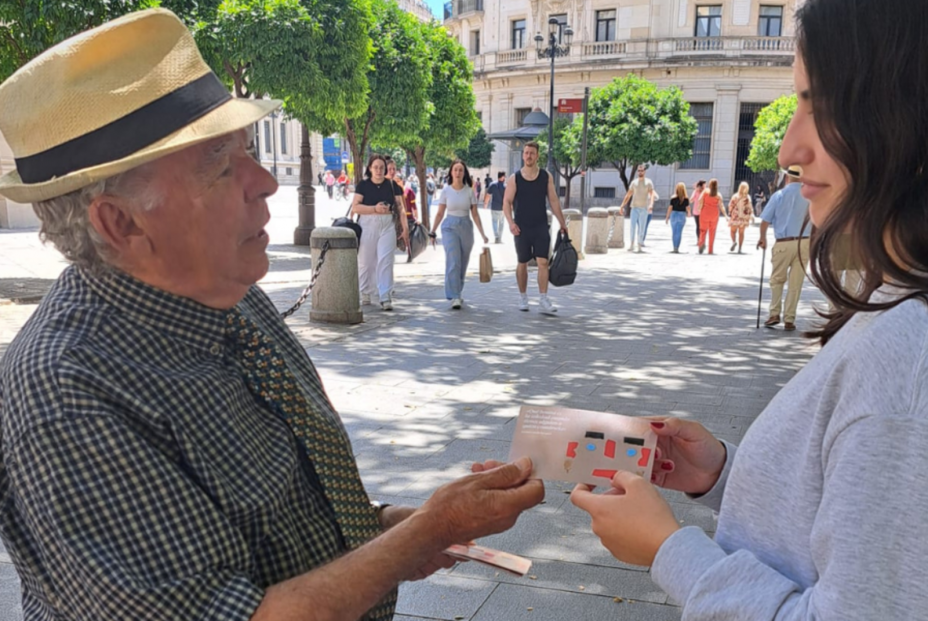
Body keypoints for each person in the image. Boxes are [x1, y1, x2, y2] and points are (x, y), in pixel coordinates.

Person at [0, 10, 545, 621]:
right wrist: (422, 533)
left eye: (249, 153)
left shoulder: (229, 292)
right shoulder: (67, 394)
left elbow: (286, 514)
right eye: (220, 167)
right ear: (119, 222)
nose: (262, 182)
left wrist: (406, 527)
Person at [573, 2, 928, 618]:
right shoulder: (895, 313)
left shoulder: (906, 356)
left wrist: (668, 548)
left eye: (822, 106)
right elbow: (844, 531)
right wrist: (724, 476)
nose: (790, 146)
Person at [502, 142, 568, 315]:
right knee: (522, 262)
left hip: (540, 225)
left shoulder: (546, 177)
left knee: (543, 262)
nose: (529, 156)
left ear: (537, 156)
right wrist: (511, 223)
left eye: (532, 153)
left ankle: (543, 298)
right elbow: (507, 203)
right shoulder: (514, 178)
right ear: (523, 156)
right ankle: (523, 297)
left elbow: (554, 201)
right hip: (521, 227)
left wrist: (562, 222)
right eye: (526, 153)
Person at [757, 166, 812, 331]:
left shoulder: (778, 195)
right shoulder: (810, 197)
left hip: (783, 242)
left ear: (787, 178)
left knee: (777, 280)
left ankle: (774, 313)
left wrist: (762, 238)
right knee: (796, 283)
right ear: (802, 179)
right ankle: (790, 319)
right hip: (804, 242)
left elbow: (765, 219)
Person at [429, 160, 489, 309]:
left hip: (466, 226)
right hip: (450, 226)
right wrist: (432, 231)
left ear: (464, 173)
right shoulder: (446, 191)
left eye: (460, 170)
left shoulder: (469, 191)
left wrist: (483, 234)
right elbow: (440, 213)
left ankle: (458, 290)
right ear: (451, 172)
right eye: (455, 170)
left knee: (462, 262)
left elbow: (475, 214)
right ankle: (454, 295)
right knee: (453, 260)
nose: (457, 173)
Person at [352, 154, 407, 310]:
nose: (378, 170)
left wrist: (405, 228)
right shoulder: (363, 185)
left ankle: (385, 295)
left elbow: (400, 207)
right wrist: (374, 208)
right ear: (370, 168)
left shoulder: (392, 185)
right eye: (375, 167)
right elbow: (356, 206)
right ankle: (365, 292)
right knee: (366, 261)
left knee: (386, 260)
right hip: (368, 223)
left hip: (387, 224)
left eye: (381, 167)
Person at [620, 165, 654, 253]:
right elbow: (628, 194)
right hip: (634, 208)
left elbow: (652, 194)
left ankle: (639, 244)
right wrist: (622, 205)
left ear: (645, 171)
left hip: (644, 208)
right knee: (632, 227)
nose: (640, 172)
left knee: (642, 227)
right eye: (639, 171)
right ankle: (631, 244)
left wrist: (651, 204)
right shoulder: (634, 182)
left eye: (642, 170)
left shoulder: (648, 182)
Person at [697, 179, 727, 255]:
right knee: (712, 231)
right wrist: (726, 215)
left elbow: (700, 200)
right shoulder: (718, 194)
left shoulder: (706, 191)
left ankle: (701, 243)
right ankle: (710, 250)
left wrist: (700, 208)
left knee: (703, 230)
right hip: (714, 214)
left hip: (705, 212)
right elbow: (721, 205)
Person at [728, 181, 755, 253]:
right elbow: (750, 207)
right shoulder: (747, 197)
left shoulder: (735, 196)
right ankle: (740, 248)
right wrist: (752, 214)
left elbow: (731, 205)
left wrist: (730, 212)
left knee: (732, 231)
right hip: (744, 217)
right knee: (741, 233)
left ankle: (734, 241)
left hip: (735, 216)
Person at [664, 182, 690, 253]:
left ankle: (674, 247)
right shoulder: (686, 199)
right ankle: (677, 248)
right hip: (682, 215)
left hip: (674, 214)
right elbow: (687, 207)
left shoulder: (673, 198)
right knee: (679, 232)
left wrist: (667, 217)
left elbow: (670, 208)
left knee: (674, 232)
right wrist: (689, 213)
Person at [484, 170, 507, 243]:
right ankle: (499, 237)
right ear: (503, 177)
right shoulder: (505, 186)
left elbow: (488, 195)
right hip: (503, 208)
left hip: (494, 207)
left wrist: (485, 204)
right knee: (501, 222)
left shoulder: (492, 185)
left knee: (494, 221)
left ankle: (496, 236)